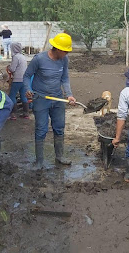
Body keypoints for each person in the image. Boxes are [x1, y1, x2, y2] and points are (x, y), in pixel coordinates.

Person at [24, 33, 76, 169]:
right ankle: (39, 161)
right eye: (65, 51)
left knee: (59, 128)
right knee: (41, 129)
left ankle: (59, 156)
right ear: (57, 48)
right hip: (41, 98)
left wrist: (69, 94)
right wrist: (28, 89)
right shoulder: (39, 59)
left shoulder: (64, 60)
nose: (66, 53)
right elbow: (27, 75)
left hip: (57, 98)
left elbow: (64, 78)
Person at [7, 42, 29, 120]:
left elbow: (12, 69)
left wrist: (8, 67)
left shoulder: (16, 57)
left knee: (12, 96)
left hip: (17, 80)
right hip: (24, 80)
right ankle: (26, 113)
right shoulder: (23, 57)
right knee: (23, 96)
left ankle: (13, 114)